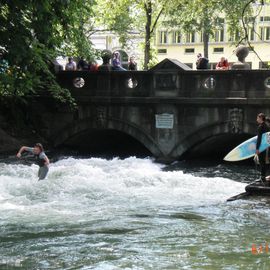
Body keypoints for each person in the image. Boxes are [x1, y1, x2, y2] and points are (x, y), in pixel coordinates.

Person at [256, 113, 269, 183]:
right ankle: (263, 176)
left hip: (261, 147)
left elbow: (259, 139)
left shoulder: (260, 127)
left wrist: (257, 148)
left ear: (261, 118)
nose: (257, 119)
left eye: (257, 118)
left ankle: (262, 177)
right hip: (265, 146)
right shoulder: (266, 126)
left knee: (261, 162)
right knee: (263, 162)